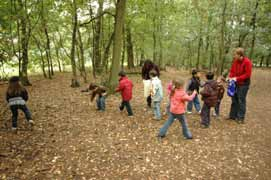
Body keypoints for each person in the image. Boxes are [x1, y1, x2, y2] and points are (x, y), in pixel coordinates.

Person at [228, 48, 252, 124]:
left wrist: (237, 78)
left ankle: (240, 118)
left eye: (235, 54)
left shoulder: (247, 62)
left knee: (241, 100)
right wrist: (230, 77)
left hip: (244, 84)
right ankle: (232, 116)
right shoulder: (235, 61)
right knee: (234, 99)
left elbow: (247, 74)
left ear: (240, 55)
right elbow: (232, 70)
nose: (234, 56)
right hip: (235, 83)